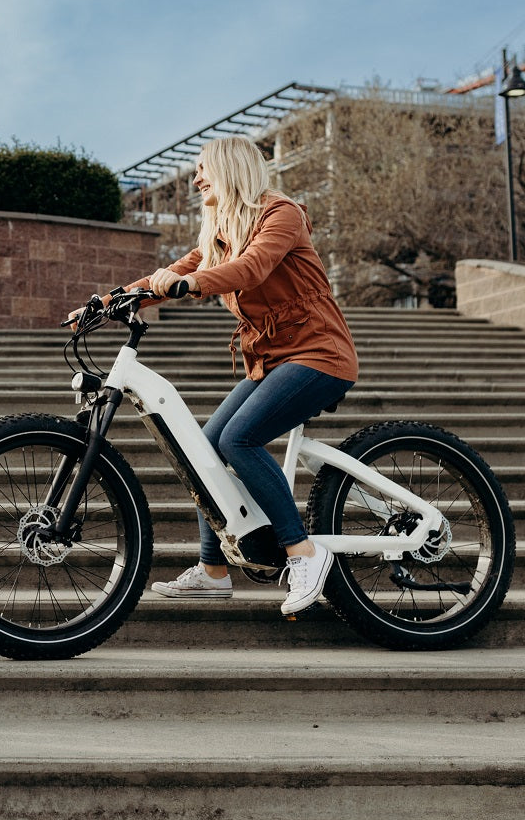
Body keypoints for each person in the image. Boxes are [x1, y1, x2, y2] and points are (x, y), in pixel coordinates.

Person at [107, 134, 357, 615]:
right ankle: (214, 571)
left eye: (203, 168)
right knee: (206, 449)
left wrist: (192, 283)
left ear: (230, 169)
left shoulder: (281, 214)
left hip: (318, 353)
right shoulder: (220, 232)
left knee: (238, 440)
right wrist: (106, 300)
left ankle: (304, 553)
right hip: (270, 360)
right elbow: (172, 272)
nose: (196, 178)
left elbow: (253, 267)